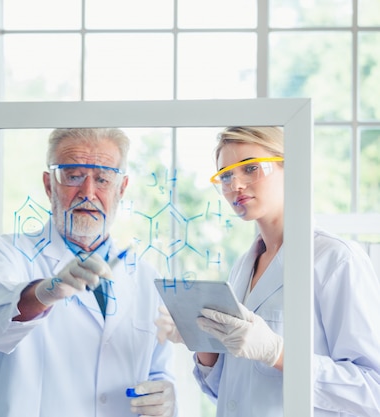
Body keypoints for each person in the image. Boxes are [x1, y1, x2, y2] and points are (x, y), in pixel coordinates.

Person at [156, 126, 380, 416]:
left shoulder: (336, 260)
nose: (235, 184)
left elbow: (372, 391)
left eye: (250, 168)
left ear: (291, 167)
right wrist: (204, 343)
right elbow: (231, 396)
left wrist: (278, 353)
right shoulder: (242, 268)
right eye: (225, 175)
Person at [0, 128, 177, 417]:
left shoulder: (146, 279)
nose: (88, 192)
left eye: (102, 179)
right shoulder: (5, 252)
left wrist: (165, 397)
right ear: (49, 184)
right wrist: (44, 292)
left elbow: (158, 371)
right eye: (73, 176)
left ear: (121, 188)